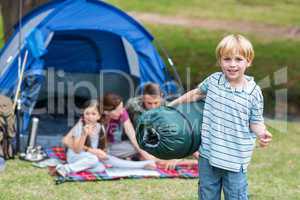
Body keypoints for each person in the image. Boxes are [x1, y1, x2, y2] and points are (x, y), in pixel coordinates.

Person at [169, 34, 272, 200]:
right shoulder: (214, 81)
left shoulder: (253, 92)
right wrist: (171, 106)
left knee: (236, 196)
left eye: (238, 59)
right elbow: (196, 94)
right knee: (207, 195)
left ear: (248, 61)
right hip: (208, 155)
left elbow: (256, 122)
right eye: (227, 59)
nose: (232, 64)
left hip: (235, 159)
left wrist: (262, 133)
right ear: (220, 61)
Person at [56, 100, 155, 177]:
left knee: (101, 167)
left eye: (93, 114)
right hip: (76, 156)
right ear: (83, 114)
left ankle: (143, 164)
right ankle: (66, 168)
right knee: (94, 159)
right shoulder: (81, 125)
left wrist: (101, 153)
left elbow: (102, 147)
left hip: (87, 156)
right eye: (87, 113)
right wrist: (84, 134)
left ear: (99, 116)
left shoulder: (100, 127)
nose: (90, 117)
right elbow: (77, 149)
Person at [101, 93, 156, 161]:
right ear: (106, 111)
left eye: (122, 108)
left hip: (116, 146)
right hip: (102, 148)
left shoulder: (122, 113)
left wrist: (149, 157)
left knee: (139, 145)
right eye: (118, 110)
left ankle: (136, 156)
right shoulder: (98, 116)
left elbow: (132, 135)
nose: (121, 112)